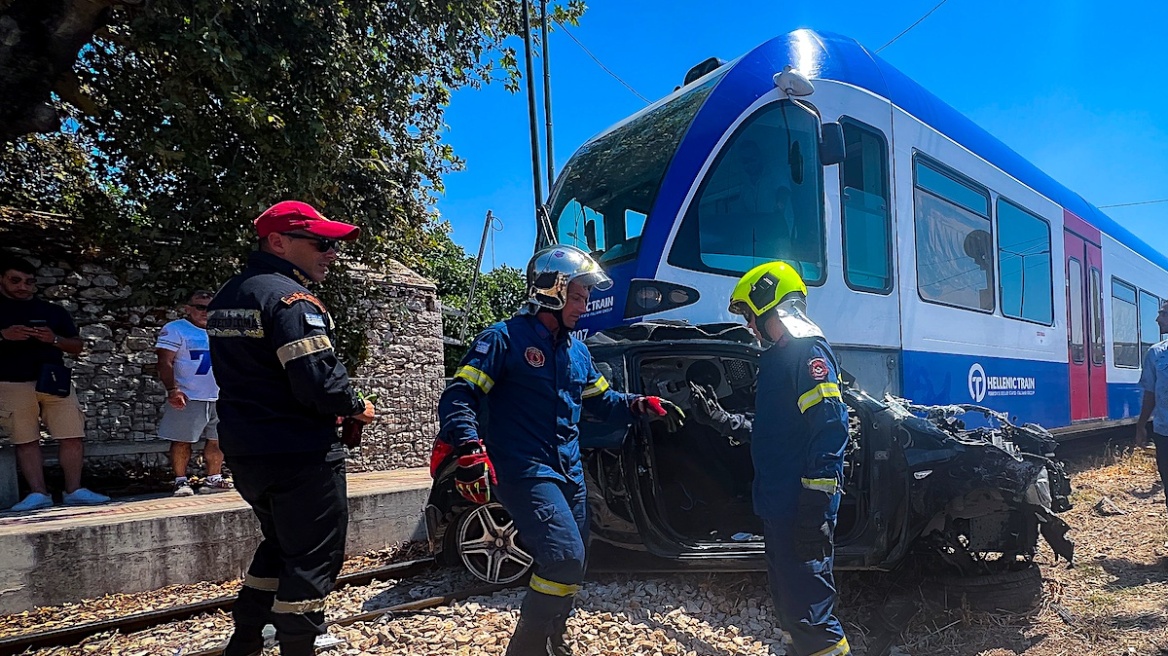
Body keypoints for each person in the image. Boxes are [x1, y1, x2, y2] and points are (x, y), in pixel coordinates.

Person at [436, 244, 684, 656]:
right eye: (577, 296)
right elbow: (458, 395)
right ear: (549, 289)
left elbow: (604, 402)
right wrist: (468, 449)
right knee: (565, 558)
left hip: (570, 472)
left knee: (575, 561)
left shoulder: (578, 352)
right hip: (526, 471)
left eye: (586, 297)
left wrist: (641, 404)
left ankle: (552, 639)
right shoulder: (503, 339)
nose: (583, 305)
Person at [207, 201, 376, 656]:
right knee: (313, 558)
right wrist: (358, 406)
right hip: (299, 453)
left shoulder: (228, 296)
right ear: (278, 242)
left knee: (279, 547)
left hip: (247, 452)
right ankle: (298, 643)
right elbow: (318, 381)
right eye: (322, 242)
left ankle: (243, 644)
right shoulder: (291, 301)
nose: (332, 252)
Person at [688, 261, 850, 656]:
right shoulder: (778, 357)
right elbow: (771, 429)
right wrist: (720, 420)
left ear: (767, 305)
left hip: (800, 507)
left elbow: (830, 428)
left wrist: (816, 504)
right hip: (779, 504)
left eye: (748, 315)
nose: (748, 326)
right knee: (792, 607)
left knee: (812, 612)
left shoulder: (808, 353)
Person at [0, 254, 110, 511]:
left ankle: (74, 490)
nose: (23, 286)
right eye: (16, 280)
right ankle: (38, 493)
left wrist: (54, 340)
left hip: (53, 379)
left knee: (72, 434)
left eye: (29, 281)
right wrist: (4, 336)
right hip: (11, 381)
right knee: (25, 439)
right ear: (2, 279)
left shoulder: (51, 311)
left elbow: (77, 346)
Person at [155, 289, 231, 497]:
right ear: (188, 309)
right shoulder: (176, 329)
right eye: (200, 307)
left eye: (211, 308)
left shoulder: (223, 330)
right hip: (189, 395)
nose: (206, 312)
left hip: (219, 395)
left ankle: (213, 477)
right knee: (182, 440)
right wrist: (173, 389)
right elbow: (164, 361)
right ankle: (180, 480)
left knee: (217, 439)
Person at [1135, 300, 1168, 531]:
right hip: (1164, 432)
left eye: (1163, 314)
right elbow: (1150, 394)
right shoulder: (1156, 353)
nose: (1158, 319)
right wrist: (1141, 425)